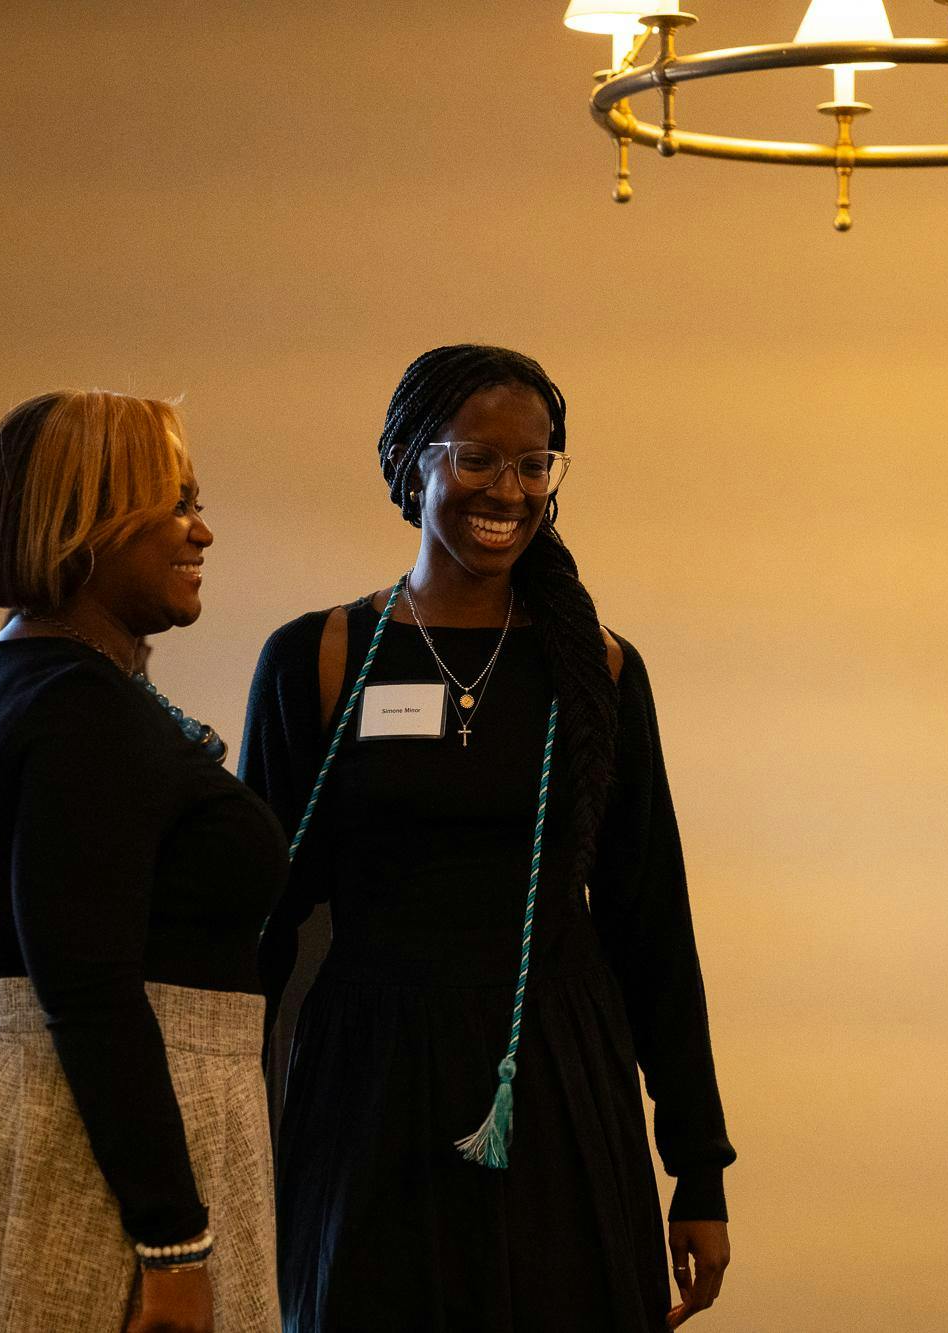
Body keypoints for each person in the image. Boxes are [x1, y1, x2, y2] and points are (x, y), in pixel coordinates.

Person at [241, 345, 735, 1331]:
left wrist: (699, 1168)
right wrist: (208, 1140)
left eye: (532, 464)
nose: (504, 489)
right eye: (476, 458)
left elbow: (649, 923)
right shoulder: (320, 658)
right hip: (370, 1083)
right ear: (408, 462)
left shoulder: (595, 668)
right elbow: (252, 920)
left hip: (553, 1072)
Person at [0, 390, 287, 1333]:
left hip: (74, 1119)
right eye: (177, 503)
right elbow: (88, 983)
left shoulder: (47, 676)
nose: (204, 530)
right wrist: (172, 1244)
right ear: (90, 526)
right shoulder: (76, 707)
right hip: (84, 1151)